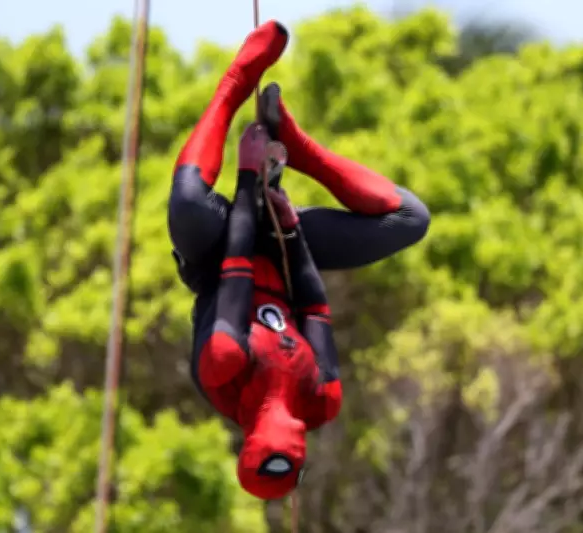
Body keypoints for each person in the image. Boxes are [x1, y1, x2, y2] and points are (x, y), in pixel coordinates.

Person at [166, 21, 430, 500]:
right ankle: (298, 143)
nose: (287, 450)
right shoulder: (321, 398)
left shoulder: (223, 369)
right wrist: (287, 226)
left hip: (219, 255)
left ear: (250, 447)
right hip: (280, 247)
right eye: (292, 464)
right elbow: (313, 306)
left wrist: (249, 176)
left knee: (185, 205)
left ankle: (235, 83)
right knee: (411, 219)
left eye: (271, 460)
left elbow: (237, 272)